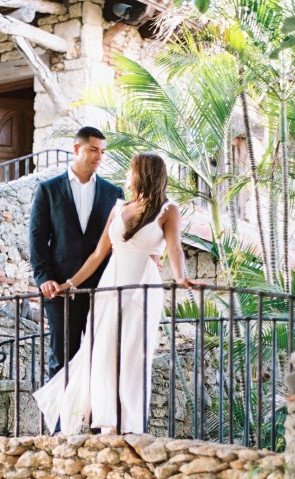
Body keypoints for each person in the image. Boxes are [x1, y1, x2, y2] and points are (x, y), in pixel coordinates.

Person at [33, 152, 198, 436]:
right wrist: (70, 283)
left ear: (144, 173)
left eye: (131, 170)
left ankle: (130, 424)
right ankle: (106, 419)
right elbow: (99, 254)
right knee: (103, 352)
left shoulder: (168, 210)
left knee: (133, 354)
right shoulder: (119, 206)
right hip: (110, 287)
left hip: (142, 287)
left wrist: (180, 276)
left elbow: (175, 248)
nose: (127, 176)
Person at [29, 126, 124, 379]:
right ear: (76, 149)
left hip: (102, 288)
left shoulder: (113, 193)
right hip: (60, 289)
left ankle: (94, 419)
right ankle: (60, 419)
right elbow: (38, 238)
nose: (99, 157)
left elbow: (118, 242)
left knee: (101, 359)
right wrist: (44, 278)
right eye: (93, 149)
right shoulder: (48, 190)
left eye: (102, 152)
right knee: (62, 360)